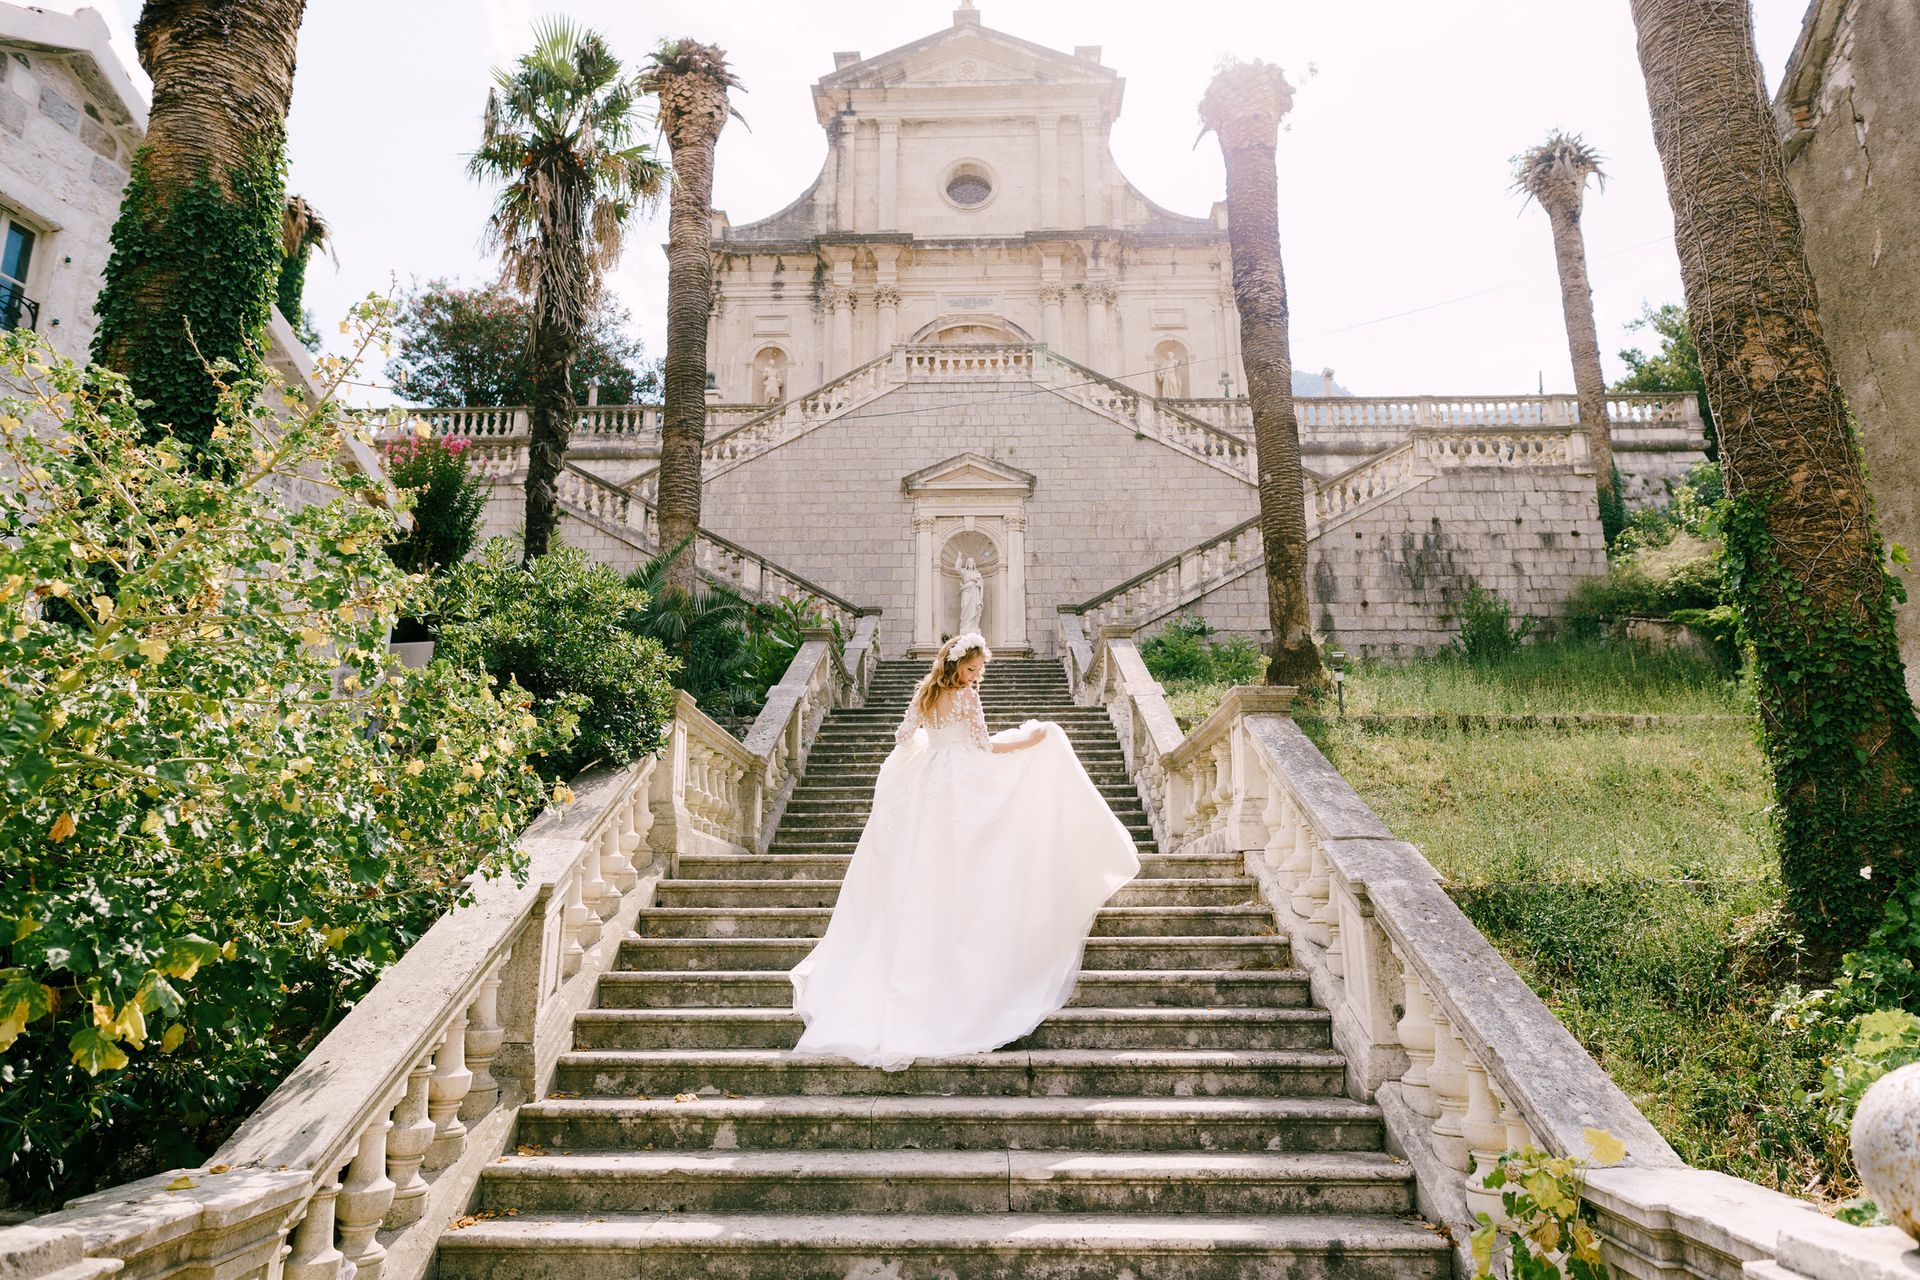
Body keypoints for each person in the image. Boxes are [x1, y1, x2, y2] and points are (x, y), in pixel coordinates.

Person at [789, 633, 1140, 1069]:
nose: (977, 677)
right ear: (957, 665)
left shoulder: (924, 693)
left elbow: (903, 738)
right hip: (955, 782)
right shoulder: (968, 699)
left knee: (927, 861)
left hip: (925, 783)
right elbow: (984, 746)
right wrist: (1030, 742)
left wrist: (925, 749)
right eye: (974, 670)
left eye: (979, 671)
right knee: (962, 851)